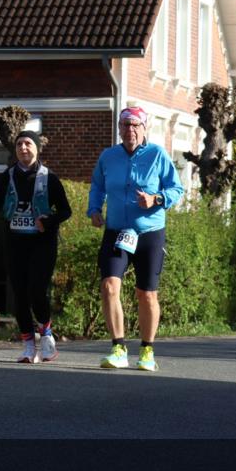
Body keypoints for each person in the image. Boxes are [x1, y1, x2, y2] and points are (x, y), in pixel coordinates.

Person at [87, 106, 184, 371]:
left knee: (146, 294)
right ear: (119, 129)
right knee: (109, 286)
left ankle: (147, 350)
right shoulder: (109, 157)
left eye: (135, 125)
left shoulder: (157, 155)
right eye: (125, 125)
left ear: (144, 129)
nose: (130, 130)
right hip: (116, 231)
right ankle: (118, 347)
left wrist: (156, 199)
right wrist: (94, 209)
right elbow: (97, 185)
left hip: (149, 232)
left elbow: (176, 188)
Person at [0, 130, 72, 363]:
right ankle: (27, 345)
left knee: (36, 290)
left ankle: (46, 334)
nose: (23, 148)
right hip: (15, 242)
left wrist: (48, 221)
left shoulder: (49, 177)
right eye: (20, 144)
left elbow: (66, 210)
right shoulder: (7, 176)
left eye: (28, 143)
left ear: (36, 148)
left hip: (42, 243)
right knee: (19, 296)